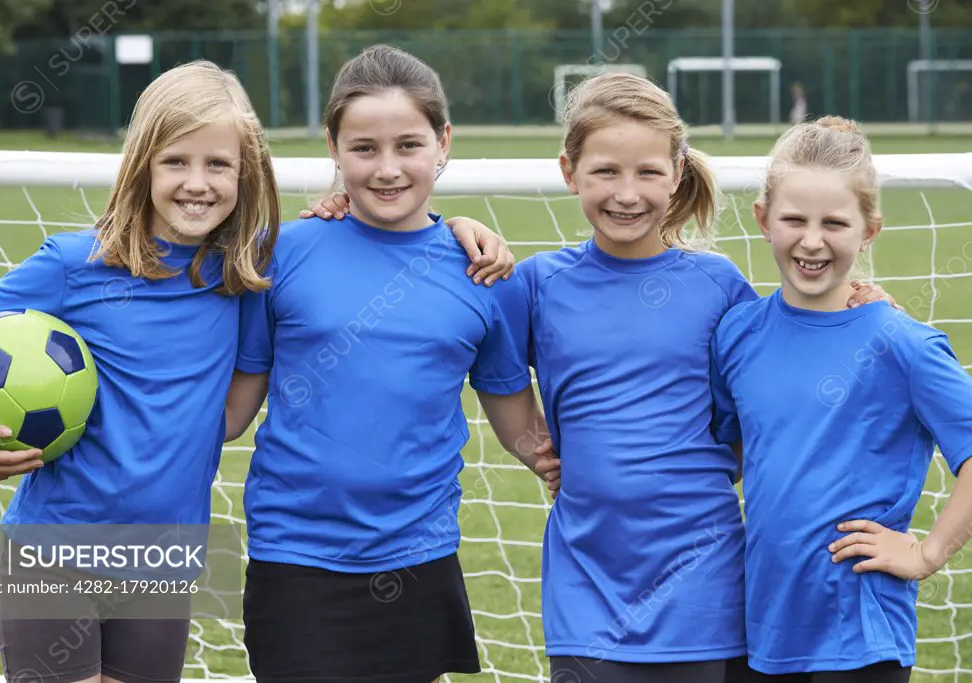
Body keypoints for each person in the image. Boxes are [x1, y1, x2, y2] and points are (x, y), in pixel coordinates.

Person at [305, 73, 895, 683]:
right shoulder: (535, 285)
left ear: (677, 172)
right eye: (605, 172)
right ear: (569, 172)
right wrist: (536, 449)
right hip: (585, 583)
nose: (627, 194)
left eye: (647, 173)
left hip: (705, 582)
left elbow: (777, 386)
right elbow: (471, 346)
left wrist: (870, 311)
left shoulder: (720, 288)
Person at [0, 59, 514, 683]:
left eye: (218, 164)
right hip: (51, 549)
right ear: (141, 166)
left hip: (164, 554)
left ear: (247, 174)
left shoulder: (245, 270)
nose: (198, 183)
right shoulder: (77, 262)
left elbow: (365, 248)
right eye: (175, 162)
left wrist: (461, 228)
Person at [224, 44, 544, 683]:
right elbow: (232, 411)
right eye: (364, 148)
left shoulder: (485, 273)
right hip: (296, 555)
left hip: (416, 557)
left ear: (443, 142)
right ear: (333, 148)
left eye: (409, 145)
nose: (388, 168)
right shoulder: (280, 252)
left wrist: (584, 467)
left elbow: (521, 429)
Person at [710, 116, 972, 683]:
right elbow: (728, 457)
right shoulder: (737, 334)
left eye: (834, 222)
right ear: (762, 218)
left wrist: (927, 554)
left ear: (869, 229)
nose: (811, 240)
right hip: (757, 626)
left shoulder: (903, 344)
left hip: (859, 639)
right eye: (793, 219)